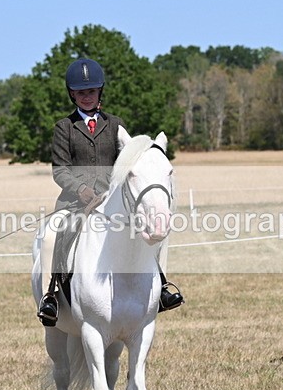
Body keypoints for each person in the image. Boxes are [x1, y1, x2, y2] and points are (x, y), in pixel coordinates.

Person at [37, 57, 184, 326]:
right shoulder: (64, 128)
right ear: (72, 94)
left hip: (111, 201)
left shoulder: (116, 125)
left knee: (154, 232)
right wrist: (81, 190)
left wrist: (112, 192)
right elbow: (60, 170)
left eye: (91, 91)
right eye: (81, 93)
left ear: (100, 91)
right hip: (75, 203)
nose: (87, 97)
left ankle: (161, 287)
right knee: (50, 236)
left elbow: (126, 165)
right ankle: (52, 295)